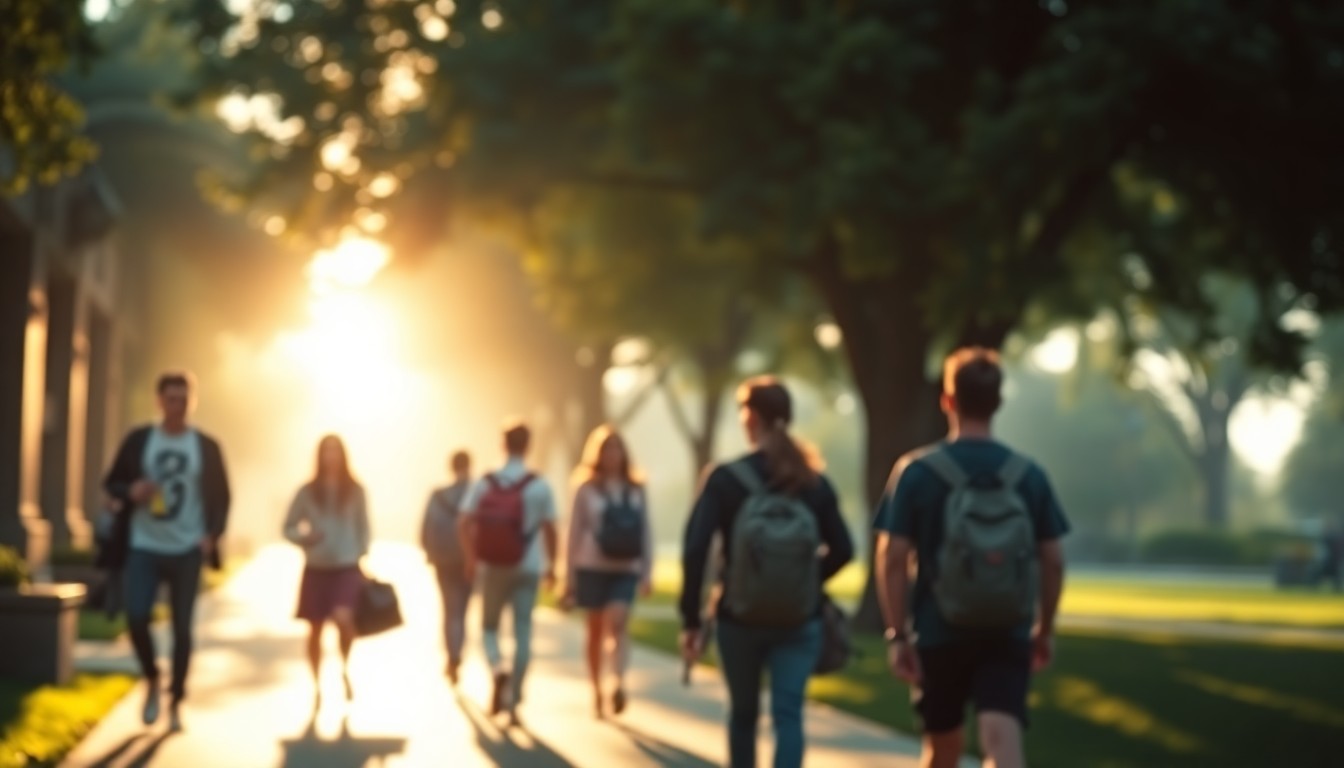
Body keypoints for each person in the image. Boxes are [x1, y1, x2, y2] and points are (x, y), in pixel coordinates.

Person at [874, 347, 1069, 768]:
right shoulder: (1027, 474)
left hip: (938, 630)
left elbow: (893, 558)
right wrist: (1044, 628)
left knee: (941, 750)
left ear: (947, 400)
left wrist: (897, 635)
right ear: (997, 403)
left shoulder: (917, 471)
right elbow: (1053, 559)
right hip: (1007, 629)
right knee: (1003, 741)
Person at [679, 376, 854, 768]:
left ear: (751, 417)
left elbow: (695, 549)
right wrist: (805, 581)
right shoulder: (813, 482)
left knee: (742, 716)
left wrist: (691, 619)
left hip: (736, 617)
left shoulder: (725, 479)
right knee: (788, 715)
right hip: (798, 619)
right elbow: (844, 549)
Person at [103, 371, 231, 732]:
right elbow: (112, 482)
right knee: (137, 615)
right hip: (143, 544)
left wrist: (213, 535)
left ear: (192, 401)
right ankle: (151, 678)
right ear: (159, 400)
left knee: (182, 629)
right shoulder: (140, 440)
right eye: (171, 399)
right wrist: (131, 491)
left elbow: (223, 496)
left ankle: (176, 700)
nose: (177, 406)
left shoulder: (206, 446)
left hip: (187, 548)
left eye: (184, 399)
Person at [458, 419, 558, 725]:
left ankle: (497, 668)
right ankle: (514, 700)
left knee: (488, 628)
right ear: (528, 446)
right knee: (523, 631)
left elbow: (463, 521)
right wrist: (553, 565)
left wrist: (472, 556)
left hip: (492, 566)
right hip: (527, 566)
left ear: (503, 444)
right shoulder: (539, 485)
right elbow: (551, 528)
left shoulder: (486, 482)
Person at [563, 425, 654, 719]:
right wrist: (569, 576)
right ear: (598, 455)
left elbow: (646, 531)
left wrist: (647, 570)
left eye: (617, 449)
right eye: (607, 450)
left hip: (625, 568)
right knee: (594, 630)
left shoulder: (636, 488)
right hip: (591, 566)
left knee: (619, 621)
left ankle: (617, 680)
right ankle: (596, 690)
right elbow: (574, 532)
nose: (613, 455)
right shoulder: (586, 488)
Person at [282, 434, 371, 704]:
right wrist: (304, 538)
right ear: (319, 456)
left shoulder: (356, 490)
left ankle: (344, 667)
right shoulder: (307, 491)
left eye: (336, 451)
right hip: (316, 567)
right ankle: (317, 685)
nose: (331, 456)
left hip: (346, 566)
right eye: (326, 451)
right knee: (315, 629)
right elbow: (288, 526)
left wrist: (361, 556)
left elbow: (364, 528)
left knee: (345, 620)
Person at [420, 449, 475, 684]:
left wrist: (428, 552)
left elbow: (425, 527)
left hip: (442, 560)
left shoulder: (438, 494)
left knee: (449, 610)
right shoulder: (476, 493)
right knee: (462, 612)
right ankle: (457, 653)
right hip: (469, 560)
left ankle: (452, 656)